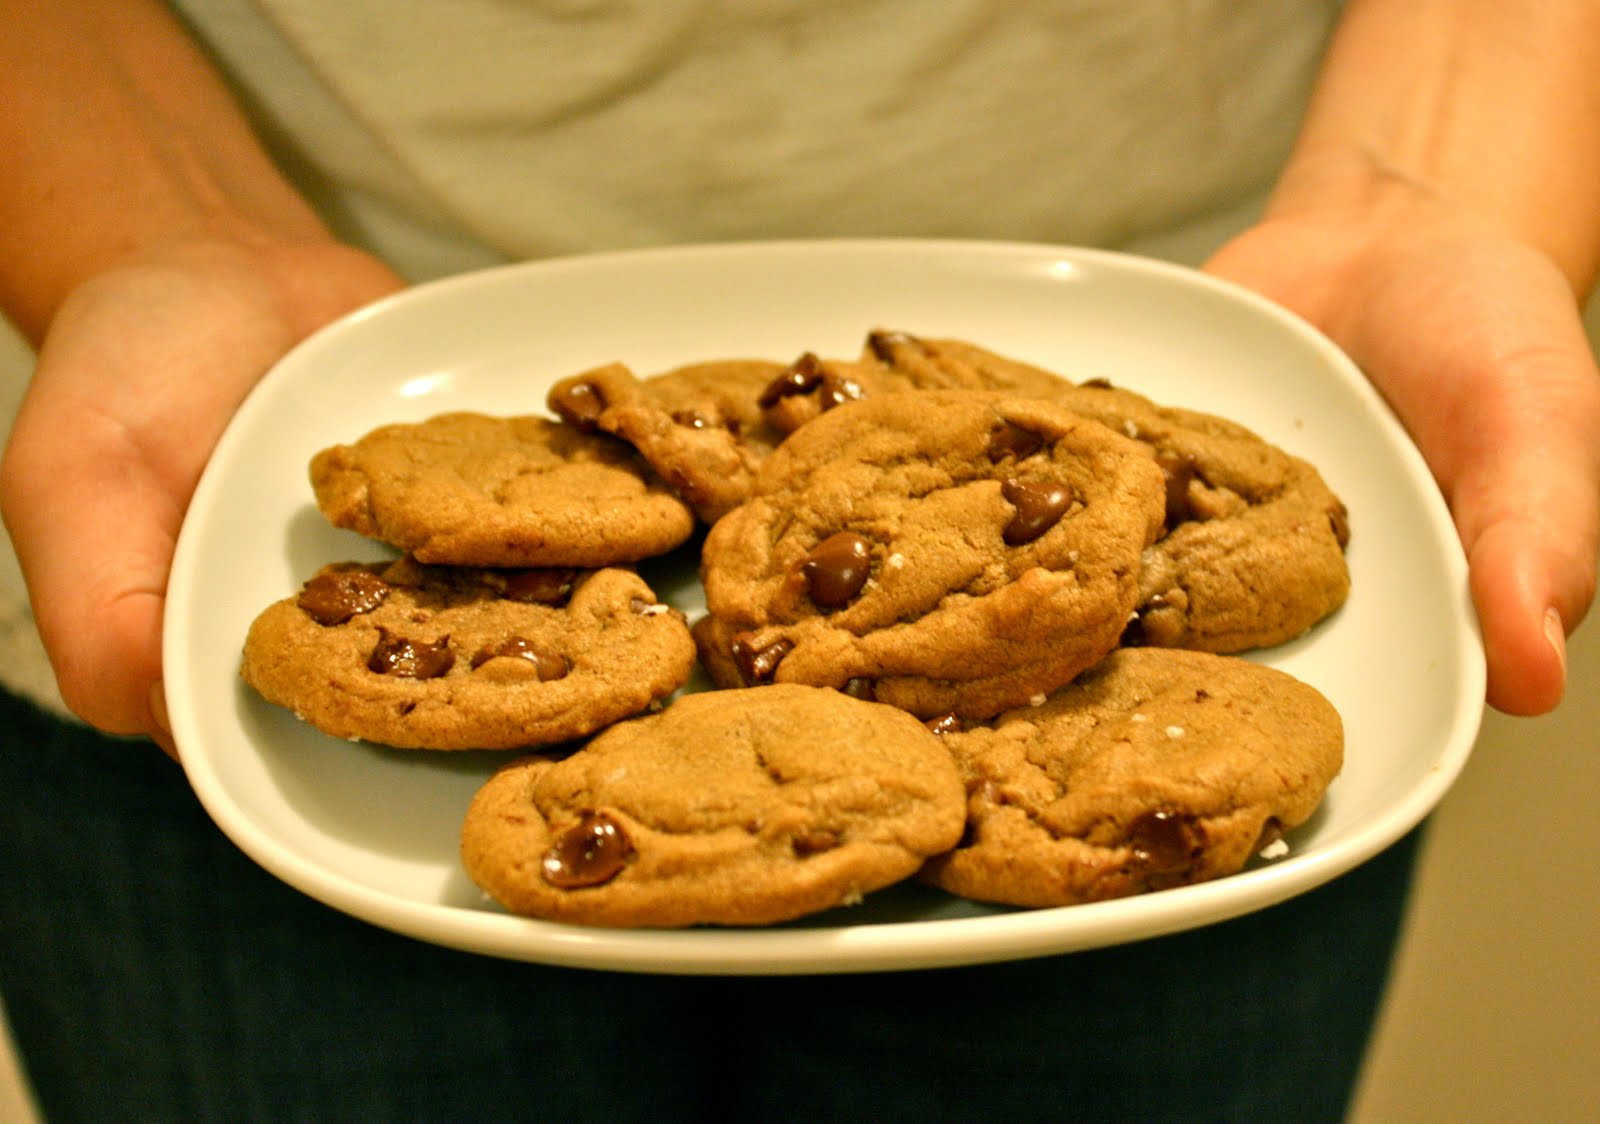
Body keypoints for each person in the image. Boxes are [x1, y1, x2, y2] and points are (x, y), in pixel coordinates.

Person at [0, 1, 1595, 1120]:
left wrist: (1432, 176)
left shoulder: (1030, 501)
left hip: (1232, 283)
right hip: (239, 421)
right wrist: (151, 224)